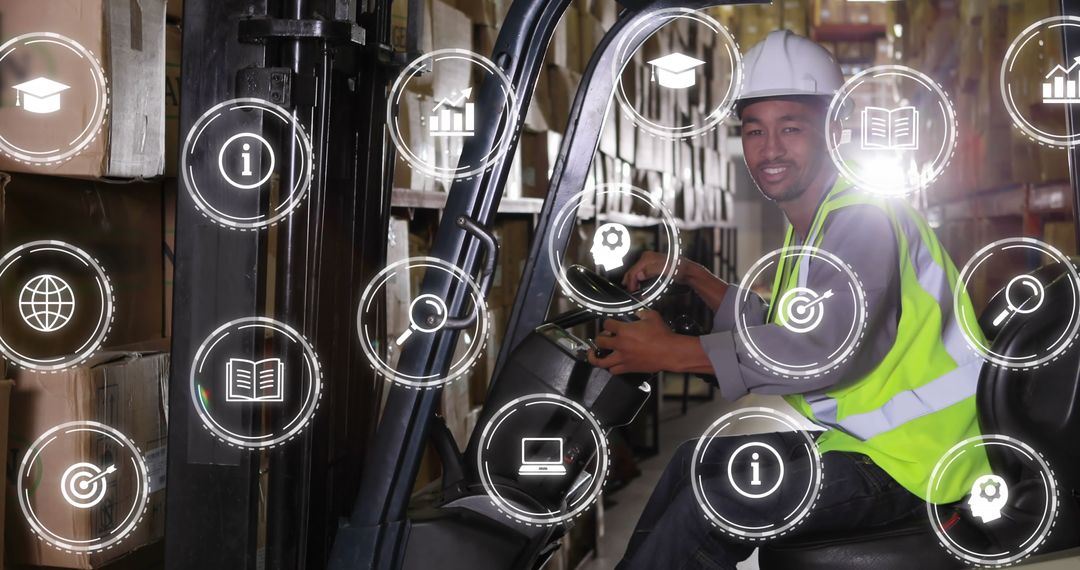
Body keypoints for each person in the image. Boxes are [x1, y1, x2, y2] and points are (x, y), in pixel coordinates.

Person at [587, 30, 989, 569]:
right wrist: (694, 276)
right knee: (692, 462)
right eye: (755, 130)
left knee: (717, 501)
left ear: (835, 130)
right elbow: (781, 329)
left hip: (922, 463)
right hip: (873, 447)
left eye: (791, 128)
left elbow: (823, 348)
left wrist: (671, 352)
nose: (770, 149)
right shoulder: (822, 223)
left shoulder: (863, 219)